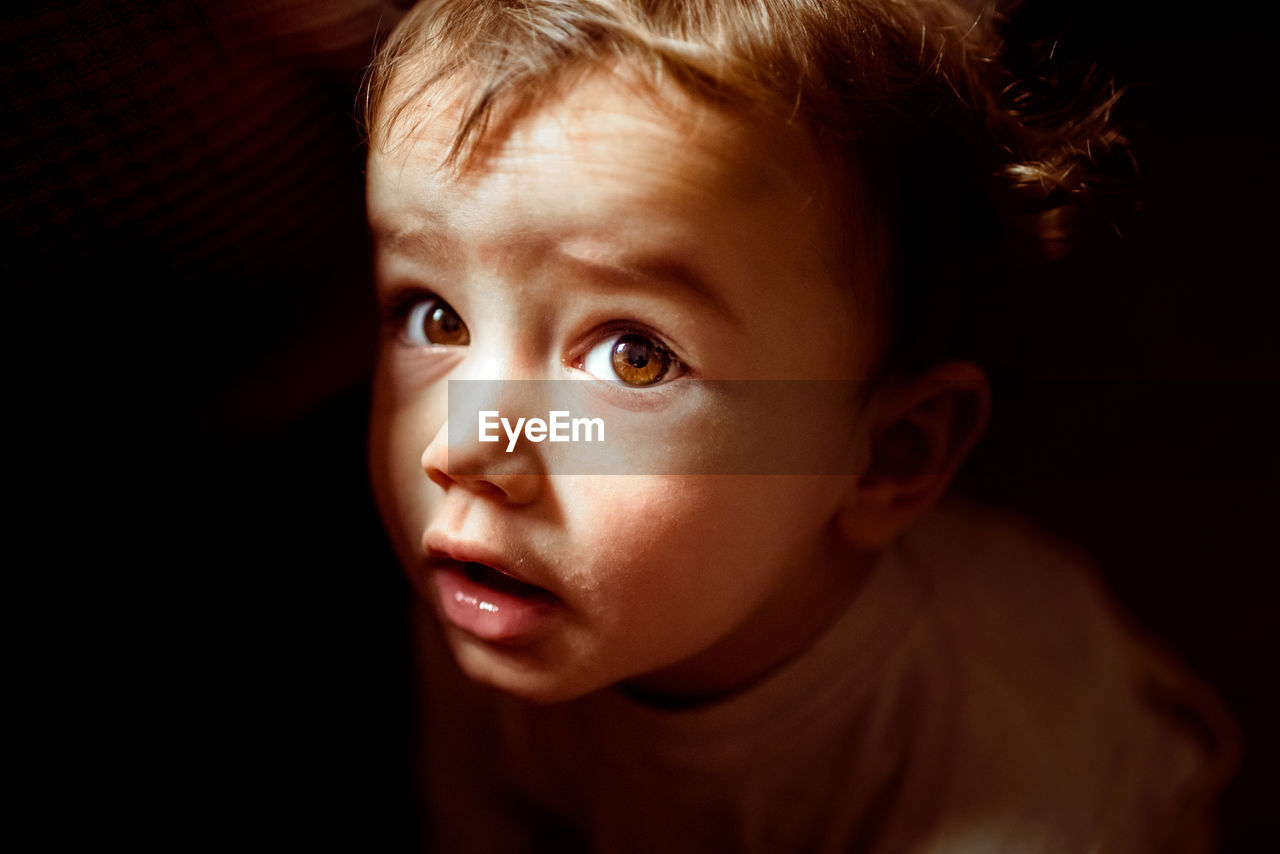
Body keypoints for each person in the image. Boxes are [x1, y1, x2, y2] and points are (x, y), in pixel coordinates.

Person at [360, 1, 1237, 850]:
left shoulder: (999, 764)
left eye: (635, 355)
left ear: (886, 458)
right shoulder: (492, 589)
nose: (463, 449)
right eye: (434, 317)